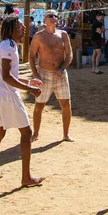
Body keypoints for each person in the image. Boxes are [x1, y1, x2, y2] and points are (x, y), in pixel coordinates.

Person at [0, 14, 44, 187]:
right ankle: (26, 177)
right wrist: (30, 89)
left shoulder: (6, 45)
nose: (24, 28)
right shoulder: (9, 47)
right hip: (7, 95)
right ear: (11, 29)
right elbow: (8, 77)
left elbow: (8, 76)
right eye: (20, 26)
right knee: (26, 133)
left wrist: (28, 82)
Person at [29, 10, 74, 142]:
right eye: (50, 16)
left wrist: (62, 68)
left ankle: (66, 134)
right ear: (44, 20)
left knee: (66, 104)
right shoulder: (39, 36)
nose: (53, 18)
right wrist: (36, 75)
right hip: (44, 74)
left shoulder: (63, 35)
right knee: (39, 105)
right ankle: (36, 134)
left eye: (55, 16)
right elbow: (31, 56)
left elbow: (69, 55)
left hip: (60, 74)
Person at [91, 11, 105, 75]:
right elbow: (100, 31)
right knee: (99, 53)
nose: (103, 17)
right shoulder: (96, 22)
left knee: (95, 54)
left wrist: (102, 27)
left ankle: (93, 68)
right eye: (102, 16)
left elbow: (102, 30)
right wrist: (102, 30)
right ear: (98, 16)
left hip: (97, 39)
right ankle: (96, 68)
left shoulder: (100, 22)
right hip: (95, 40)